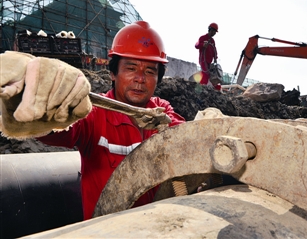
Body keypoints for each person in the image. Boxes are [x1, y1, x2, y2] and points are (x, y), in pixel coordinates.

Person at [0, 21, 185, 220]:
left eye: (150, 71)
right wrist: (34, 107)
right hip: (106, 230)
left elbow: (185, 139)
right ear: (113, 73)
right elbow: (58, 129)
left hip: (156, 228)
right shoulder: (94, 112)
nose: (140, 78)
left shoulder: (161, 111)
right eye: (131, 68)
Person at [195, 23, 219, 89]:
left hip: (209, 62)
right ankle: (202, 88)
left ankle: (216, 88)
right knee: (205, 74)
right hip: (203, 60)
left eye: (215, 32)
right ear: (209, 29)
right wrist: (203, 45)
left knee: (213, 75)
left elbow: (214, 50)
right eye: (213, 31)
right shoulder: (203, 38)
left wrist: (215, 58)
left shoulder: (212, 41)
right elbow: (196, 45)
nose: (214, 33)